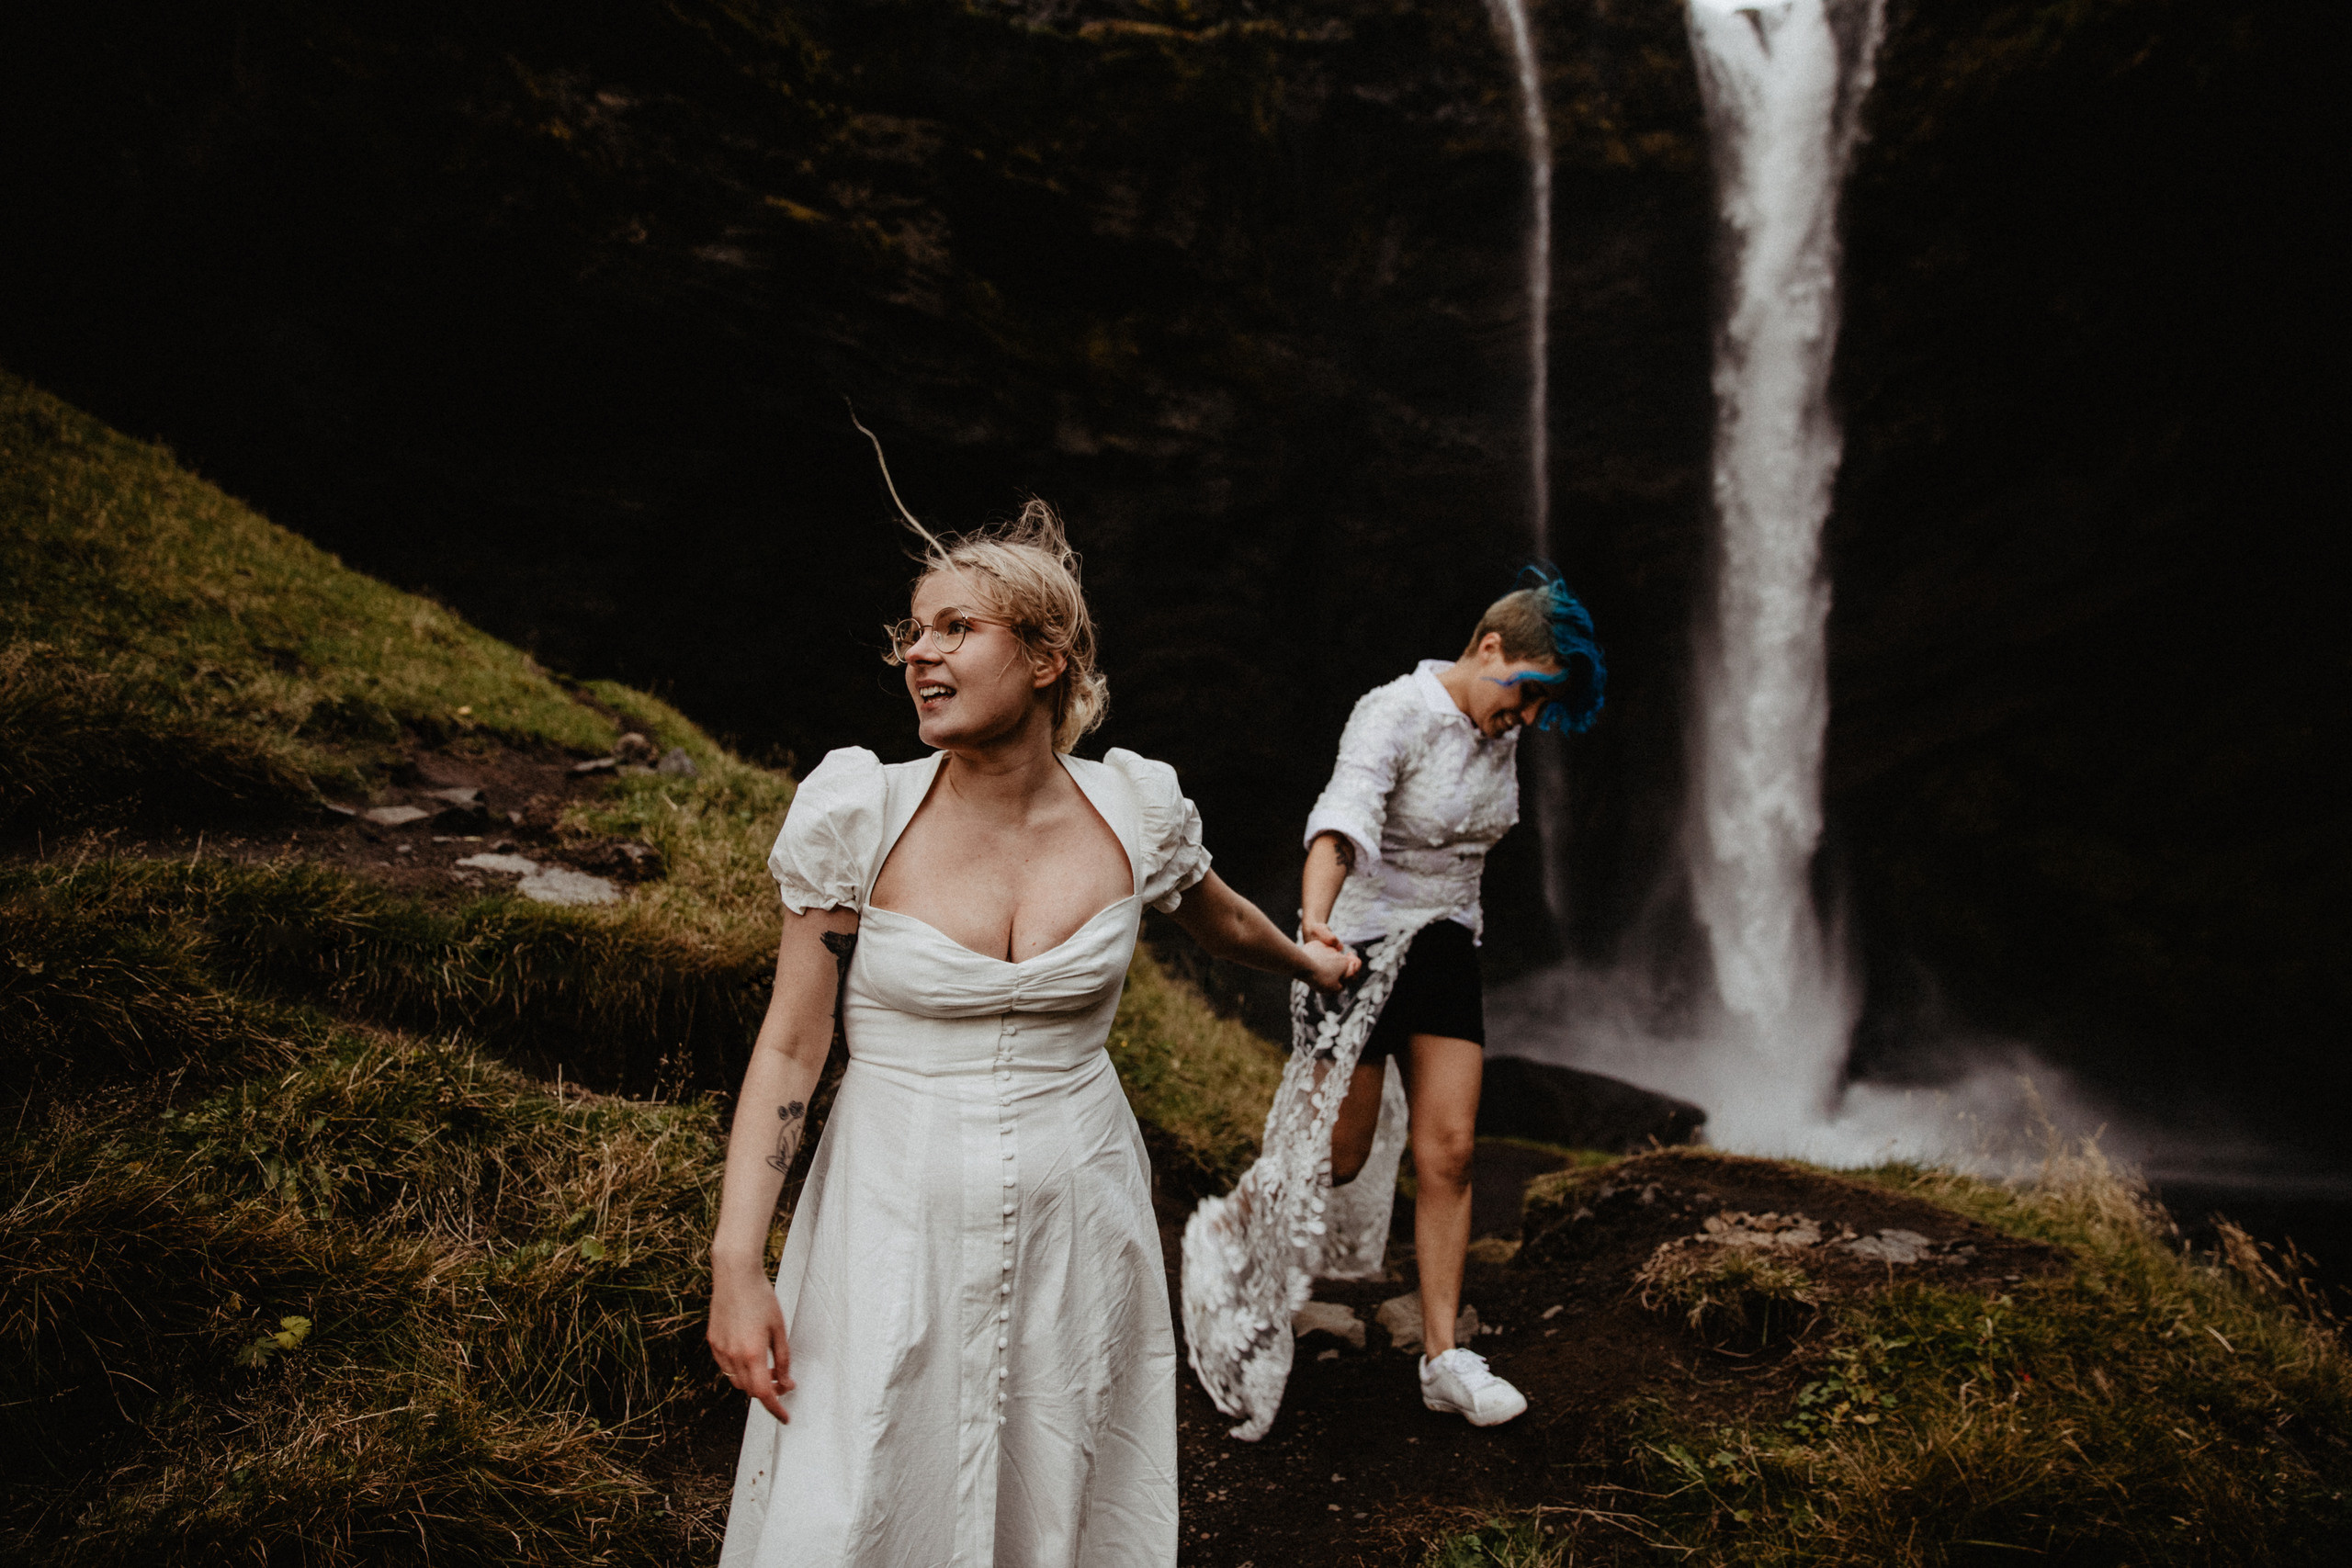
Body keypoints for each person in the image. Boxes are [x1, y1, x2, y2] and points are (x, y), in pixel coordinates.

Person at [707, 501, 1358, 1568]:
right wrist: (740, 1263)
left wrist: (1306, 960)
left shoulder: (1133, 813)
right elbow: (790, 1044)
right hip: (889, 1204)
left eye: (955, 628)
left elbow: (1217, 915)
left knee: (1058, 1477)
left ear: (1049, 657)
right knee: (859, 1486)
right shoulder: (857, 814)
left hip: (1081, 1205)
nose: (919, 652)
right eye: (913, 633)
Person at [1181, 565, 1603, 1439]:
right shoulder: (1394, 711)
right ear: (1490, 647)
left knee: (1448, 1152)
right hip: (1359, 947)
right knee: (1337, 1153)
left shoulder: (1500, 729)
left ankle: (1443, 1358)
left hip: (1446, 944)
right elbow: (1341, 823)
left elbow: (1467, 852)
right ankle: (1225, 1244)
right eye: (1525, 696)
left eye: (1536, 711)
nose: (1524, 721)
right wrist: (1316, 928)